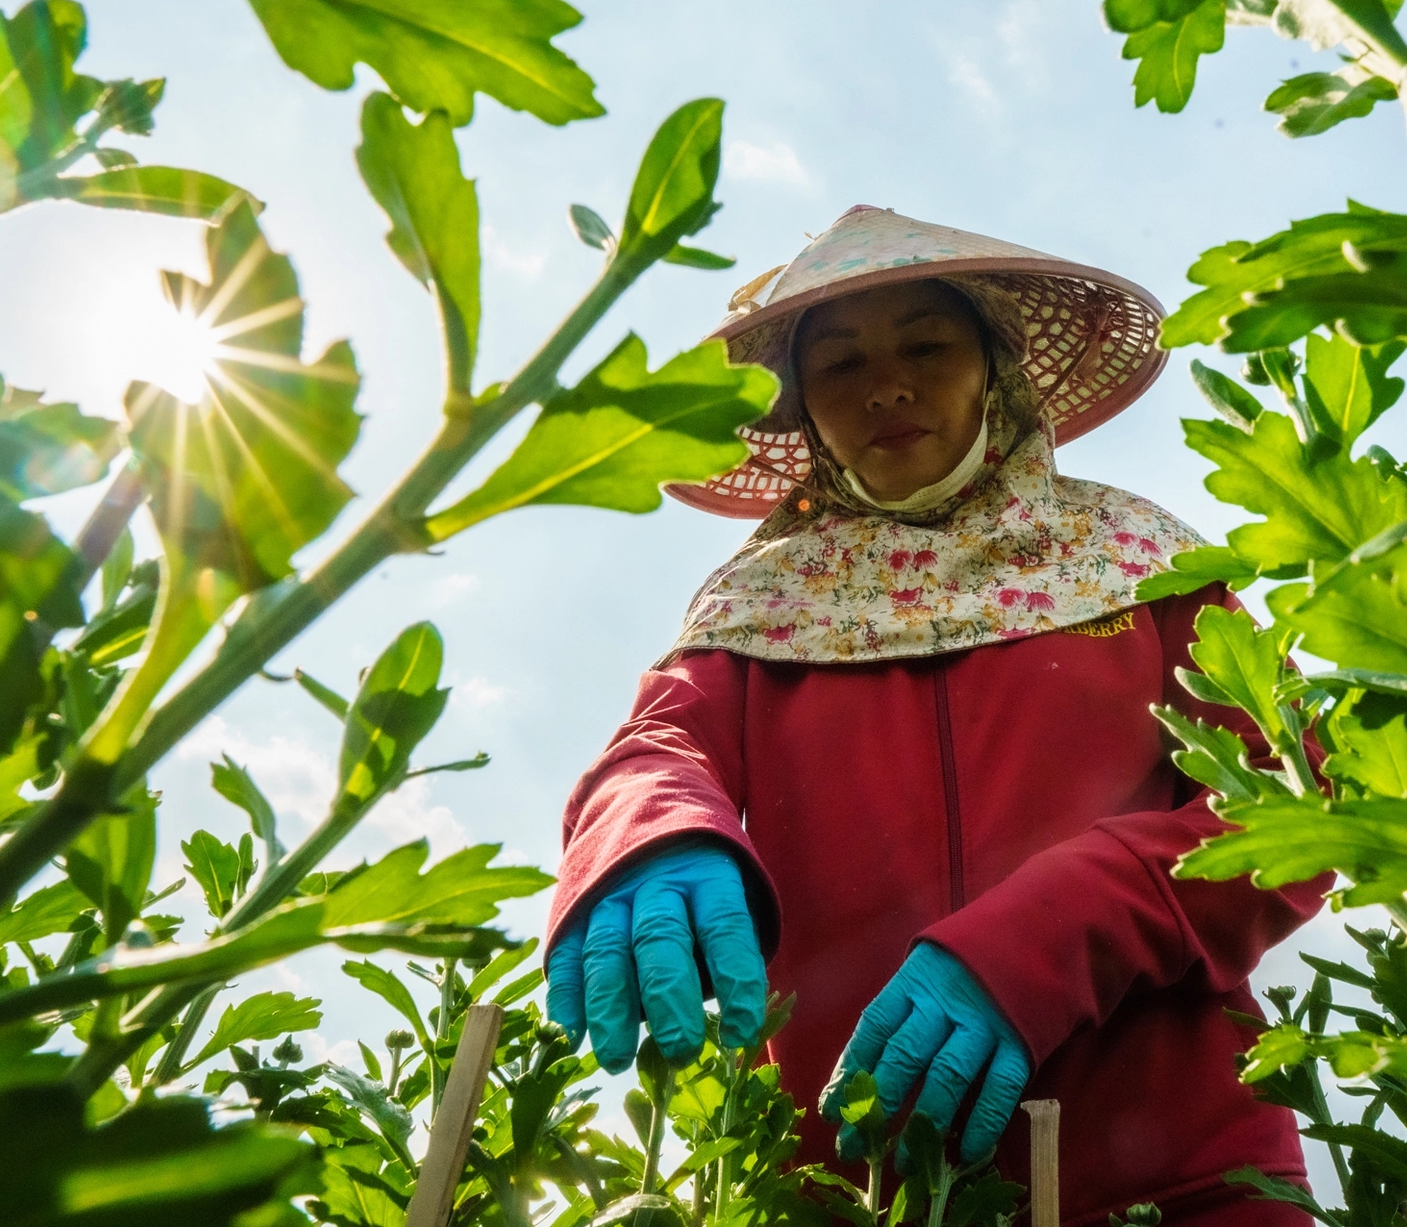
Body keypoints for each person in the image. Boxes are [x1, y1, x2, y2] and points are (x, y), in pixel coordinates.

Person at [543, 207, 1330, 1225]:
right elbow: (655, 751)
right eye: (836, 366)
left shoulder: (1146, 571)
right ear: (802, 417)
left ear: (996, 366)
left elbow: (1289, 806)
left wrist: (1046, 938)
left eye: (925, 343)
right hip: (848, 1185)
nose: (887, 385)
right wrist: (644, 840)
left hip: (1177, 1171)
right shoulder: (755, 612)